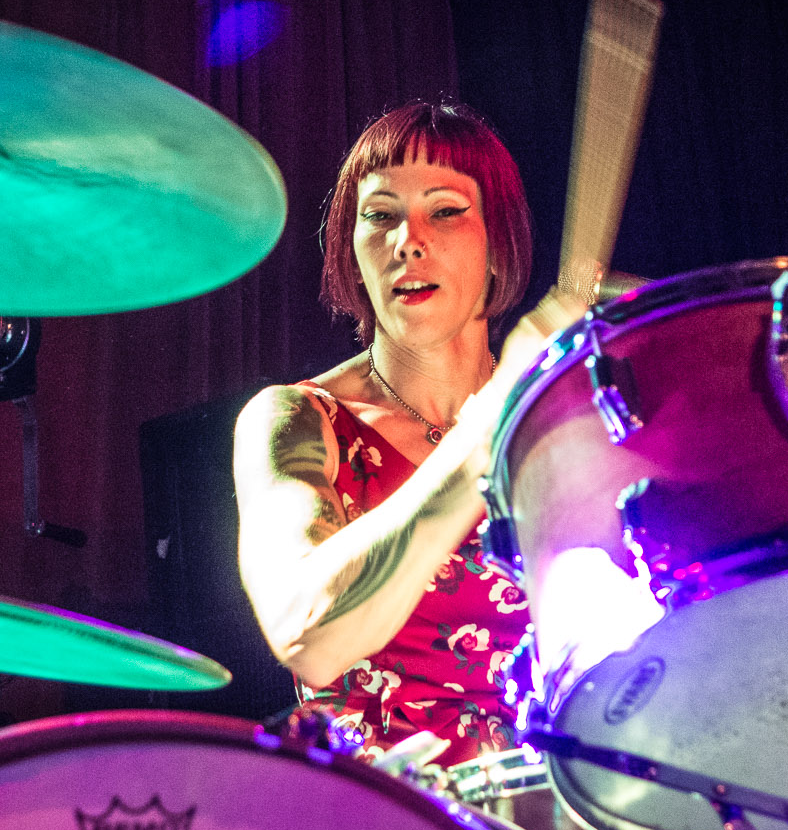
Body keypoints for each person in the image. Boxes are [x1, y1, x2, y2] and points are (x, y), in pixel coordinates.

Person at [233, 100, 566, 768]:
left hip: (559, 809)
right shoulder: (297, 419)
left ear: (499, 245)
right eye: (381, 215)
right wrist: (485, 432)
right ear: (352, 252)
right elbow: (307, 634)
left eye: (445, 211)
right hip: (378, 812)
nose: (408, 240)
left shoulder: (563, 422)